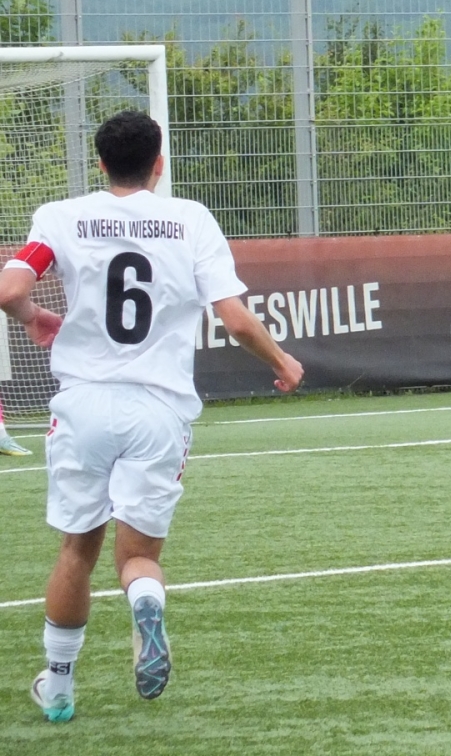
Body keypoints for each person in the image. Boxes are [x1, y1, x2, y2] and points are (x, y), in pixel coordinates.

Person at [0, 111, 304, 722]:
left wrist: (34, 317)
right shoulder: (191, 220)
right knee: (139, 556)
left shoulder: (62, 216)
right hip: (159, 410)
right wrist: (282, 360)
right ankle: (145, 602)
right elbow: (235, 319)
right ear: (158, 164)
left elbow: (9, 290)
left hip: (83, 404)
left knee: (77, 550)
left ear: (100, 164)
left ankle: (58, 686)